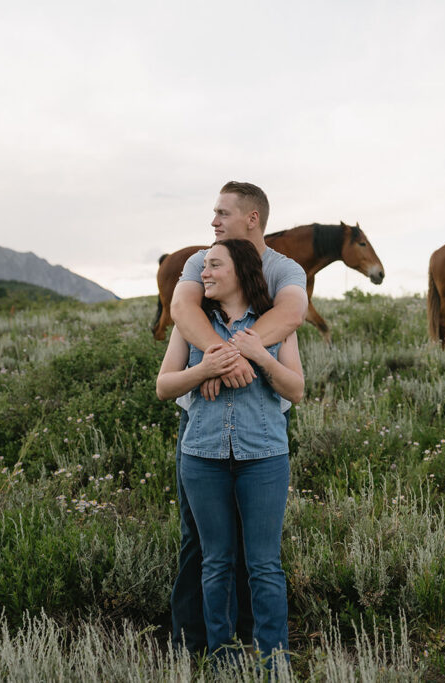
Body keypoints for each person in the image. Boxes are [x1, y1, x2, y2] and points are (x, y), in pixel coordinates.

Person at [166, 182, 307, 655]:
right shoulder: (199, 263)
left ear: (252, 219)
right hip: (202, 431)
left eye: (223, 212)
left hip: (260, 433)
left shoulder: (282, 270)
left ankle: (262, 646)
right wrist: (216, 358)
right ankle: (197, 642)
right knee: (203, 546)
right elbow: (182, 308)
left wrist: (250, 355)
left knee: (258, 555)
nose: (213, 221)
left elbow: (292, 313)